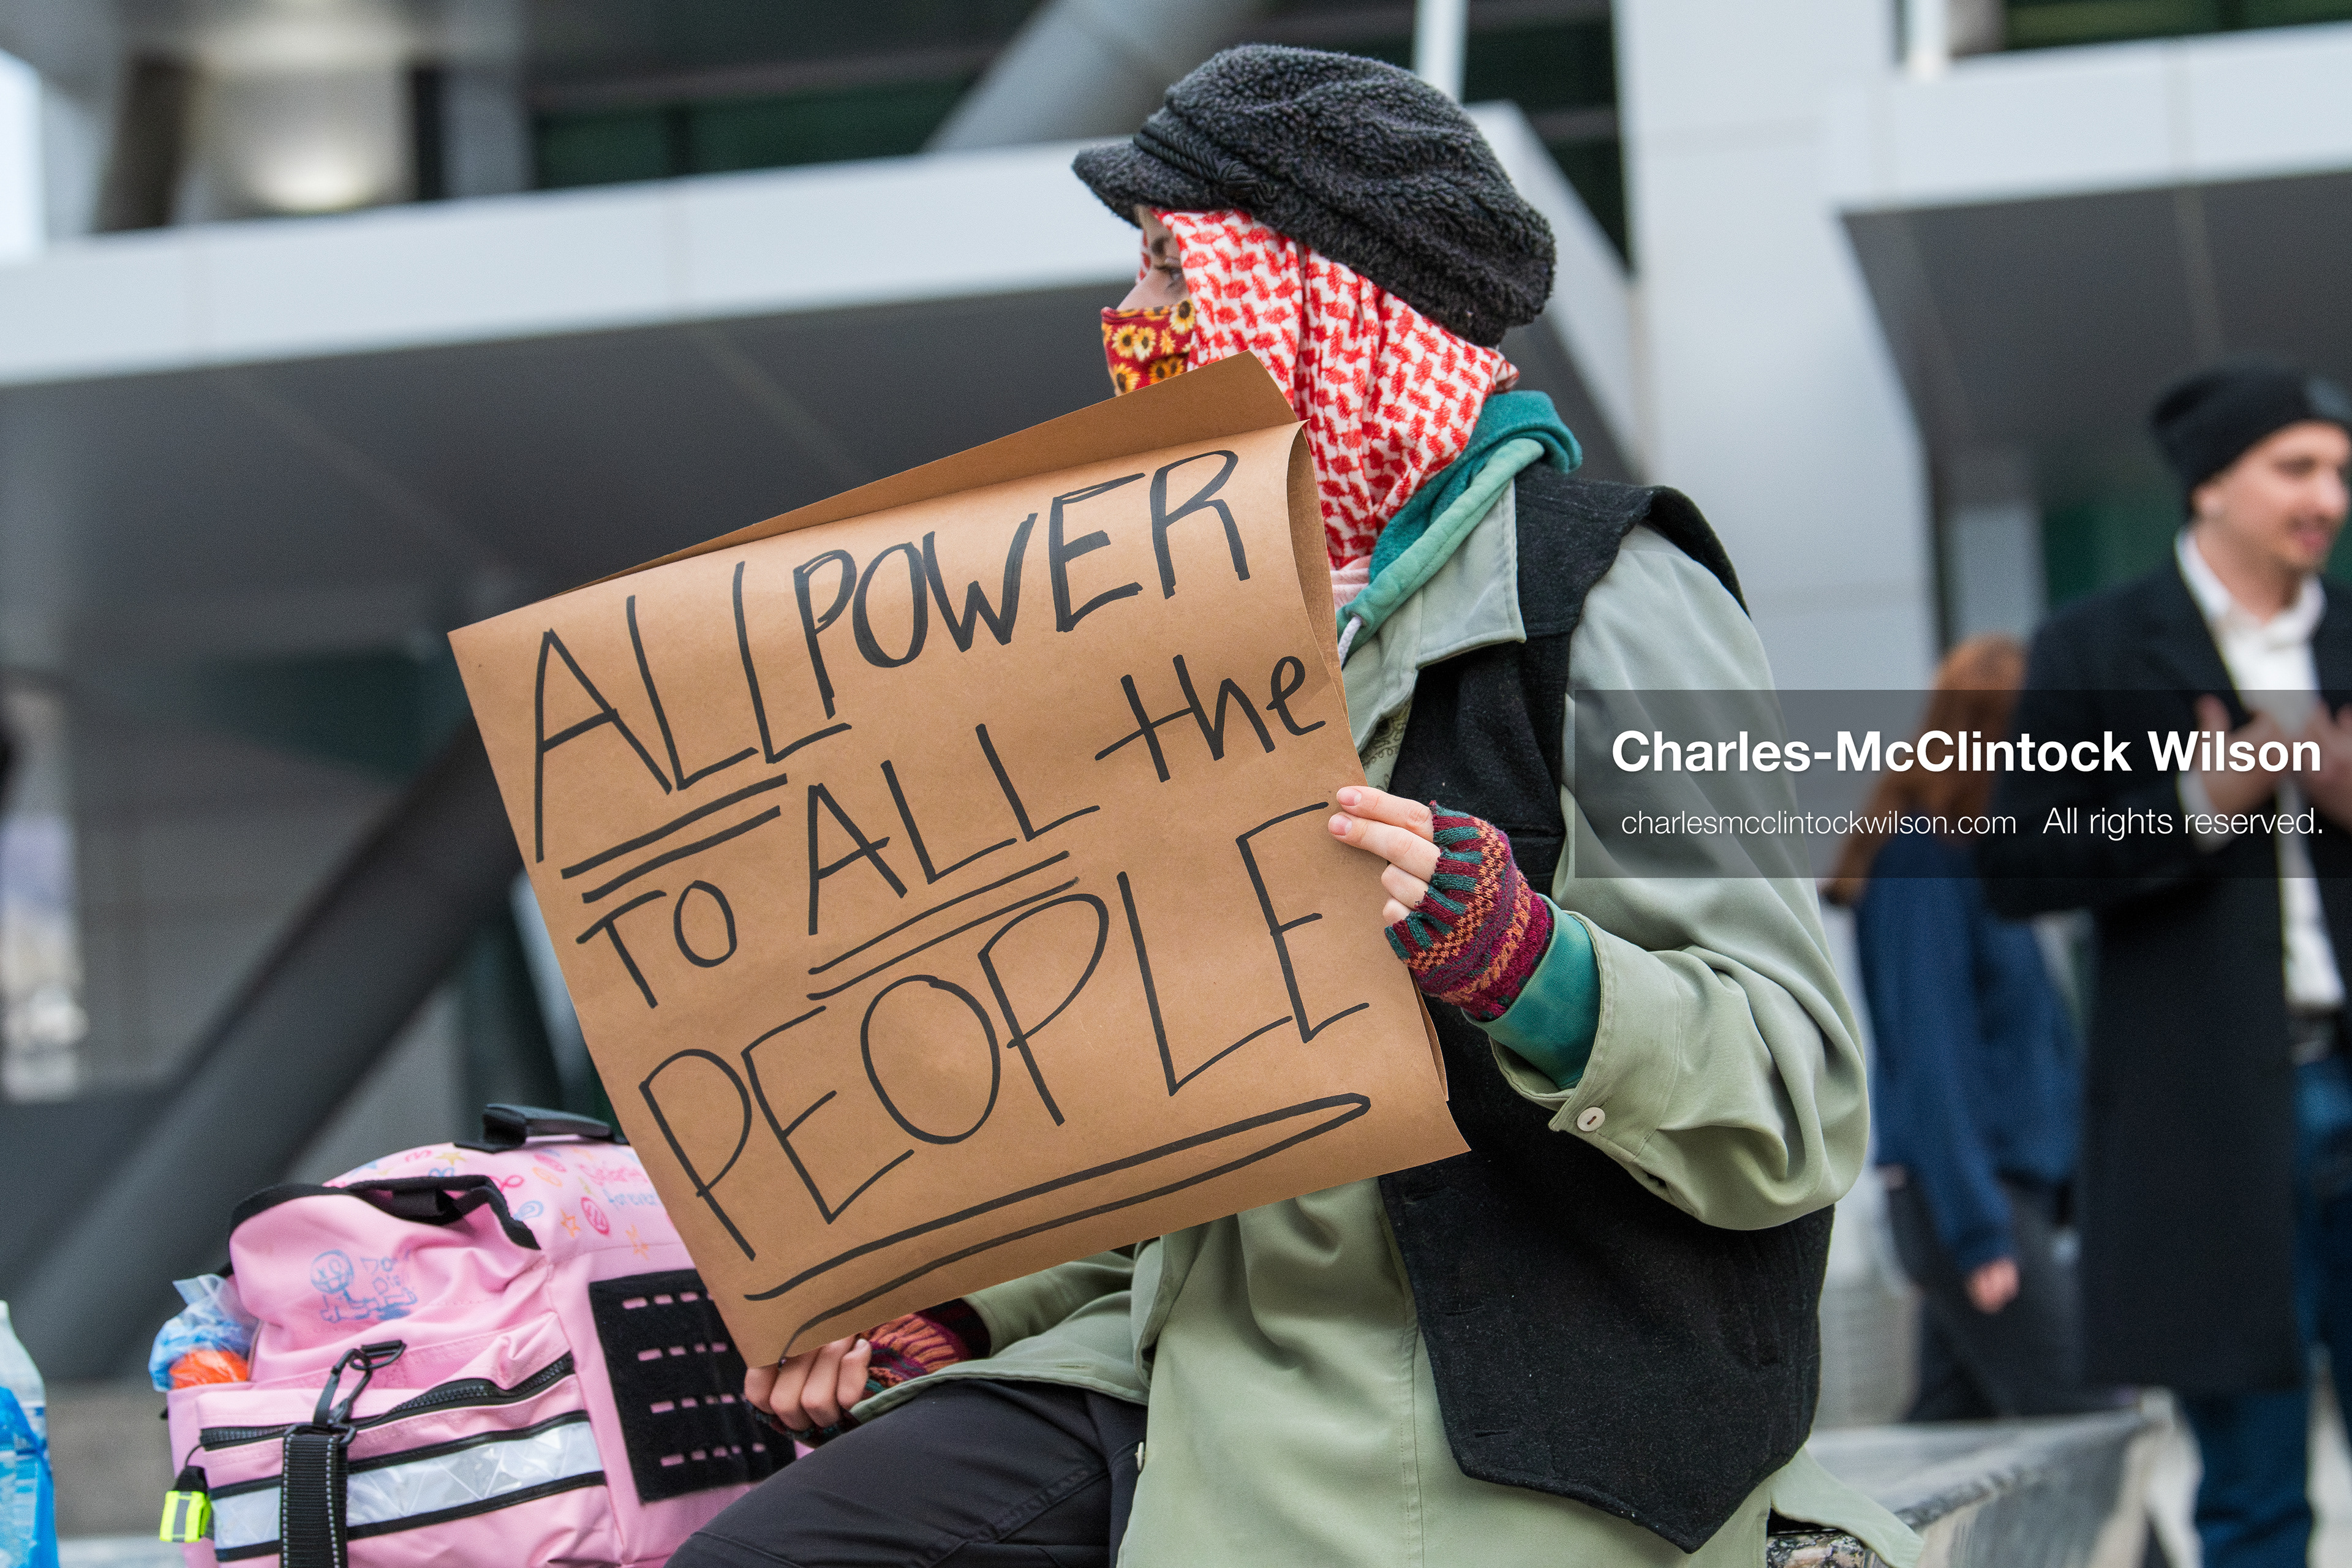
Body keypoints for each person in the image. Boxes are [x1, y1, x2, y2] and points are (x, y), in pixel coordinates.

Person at [673, 45, 1917, 1567]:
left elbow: (1792, 1094)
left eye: (1162, 268)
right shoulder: (1192, 631)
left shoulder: (1615, 593)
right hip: (1188, 1357)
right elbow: (1189, 1131)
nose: (1126, 324)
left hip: (1495, 1408)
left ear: (1314, 296)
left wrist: (1528, 965)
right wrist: (963, 1302)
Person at [1981, 360, 2352, 1568]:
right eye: (2296, 467)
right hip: (2206, 1120)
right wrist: (2199, 797)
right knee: (2250, 1490)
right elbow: (2020, 865)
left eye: (2340, 470)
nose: (2329, 495)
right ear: (2210, 488)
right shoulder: (2094, 645)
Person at [1825, 634, 2097, 1422]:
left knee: (1953, 1433)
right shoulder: (1921, 865)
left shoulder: (1978, 859)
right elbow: (1932, 1055)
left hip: (2000, 1196)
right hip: (1973, 1202)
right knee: (2089, 1427)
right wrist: (1980, 1231)